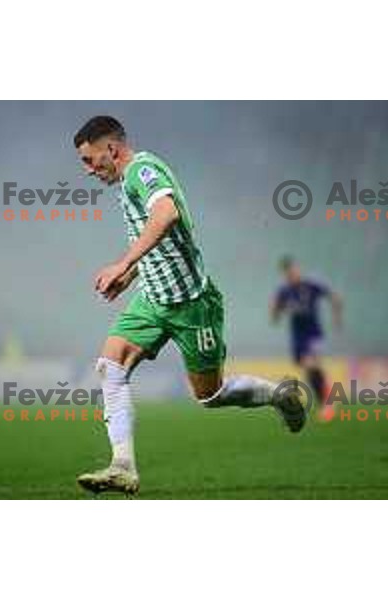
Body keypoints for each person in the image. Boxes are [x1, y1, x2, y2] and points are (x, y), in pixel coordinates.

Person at [73, 115, 305, 495]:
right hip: (152, 299)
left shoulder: (141, 171)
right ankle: (123, 466)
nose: (87, 170)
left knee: (209, 395)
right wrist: (130, 277)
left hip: (192, 304)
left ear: (111, 149)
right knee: (110, 365)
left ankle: (279, 395)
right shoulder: (130, 179)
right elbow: (161, 239)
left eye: (89, 160)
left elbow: (166, 215)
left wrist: (122, 263)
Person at [271, 256, 342, 419]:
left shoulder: (311, 285)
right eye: (288, 272)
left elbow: (335, 297)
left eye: (293, 270)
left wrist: (337, 318)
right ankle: (326, 399)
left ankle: (327, 401)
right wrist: (276, 310)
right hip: (297, 337)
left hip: (313, 333)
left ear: (298, 269)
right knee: (308, 369)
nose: (291, 274)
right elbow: (275, 314)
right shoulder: (284, 291)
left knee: (311, 364)